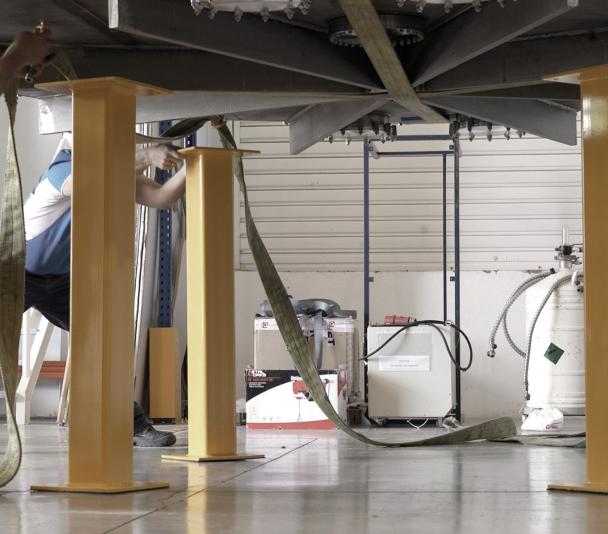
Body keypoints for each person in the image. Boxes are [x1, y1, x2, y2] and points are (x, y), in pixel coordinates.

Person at [24, 133, 186, 447]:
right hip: (15, 269)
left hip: (59, 280)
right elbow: (90, 183)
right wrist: (147, 155)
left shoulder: (114, 176)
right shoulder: (63, 168)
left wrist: (194, 164)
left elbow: (163, 197)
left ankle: (133, 425)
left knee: (102, 342)